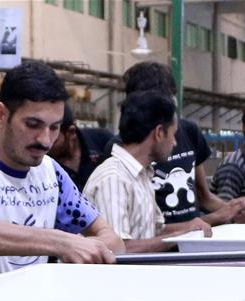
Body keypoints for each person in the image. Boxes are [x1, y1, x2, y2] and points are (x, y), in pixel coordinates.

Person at [0, 60, 124, 289]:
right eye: (33, 124)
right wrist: (60, 242)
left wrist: (92, 248)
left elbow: (113, 240)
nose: (45, 140)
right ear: (1, 115)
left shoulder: (51, 174)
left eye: (54, 127)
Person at [117, 62, 245, 227]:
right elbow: (143, 231)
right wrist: (212, 219)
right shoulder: (124, 152)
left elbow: (204, 197)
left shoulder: (189, 131)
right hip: (162, 240)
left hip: (192, 237)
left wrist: (234, 211)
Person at [84, 91, 210, 252]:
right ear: (159, 133)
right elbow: (117, 250)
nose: (174, 142)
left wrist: (190, 226)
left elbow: (153, 231)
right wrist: (181, 235)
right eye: (173, 134)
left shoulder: (141, 175)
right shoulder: (113, 180)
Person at [47, 104, 113, 190]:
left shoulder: (102, 139)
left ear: (71, 132)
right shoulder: (44, 163)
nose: (45, 143)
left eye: (53, 140)